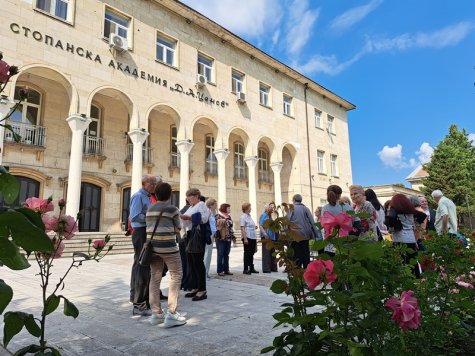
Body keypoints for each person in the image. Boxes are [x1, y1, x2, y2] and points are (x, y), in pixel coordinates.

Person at [146, 183, 186, 327]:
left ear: (155, 195)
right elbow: (178, 228)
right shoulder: (172, 209)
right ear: (170, 195)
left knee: (155, 278)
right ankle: (171, 313)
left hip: (153, 248)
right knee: (176, 275)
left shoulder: (150, 208)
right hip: (168, 247)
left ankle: (156, 314)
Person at [129, 175, 157, 316]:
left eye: (154, 183)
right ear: (144, 183)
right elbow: (134, 216)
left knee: (143, 266)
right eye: (151, 183)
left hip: (146, 231)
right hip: (140, 232)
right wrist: (151, 218)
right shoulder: (139, 196)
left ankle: (141, 300)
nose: (153, 186)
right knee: (141, 266)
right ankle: (138, 304)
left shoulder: (147, 196)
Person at [385, 194, 425, 278]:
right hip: (410, 238)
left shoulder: (394, 209)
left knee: (402, 262)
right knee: (412, 261)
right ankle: (417, 279)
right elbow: (423, 216)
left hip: (399, 238)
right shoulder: (410, 211)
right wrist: (417, 223)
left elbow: (390, 221)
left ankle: (405, 281)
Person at [180, 188, 209, 301]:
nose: (188, 199)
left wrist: (189, 217)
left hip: (197, 235)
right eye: (187, 197)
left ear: (196, 196)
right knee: (191, 263)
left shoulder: (201, 204)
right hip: (189, 234)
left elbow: (204, 219)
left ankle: (202, 289)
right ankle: (195, 287)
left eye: (190, 196)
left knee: (198, 262)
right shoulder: (191, 207)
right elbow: (186, 222)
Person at [321, 185, 361, 257]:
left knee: (333, 266)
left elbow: (323, 226)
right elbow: (357, 222)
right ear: (339, 195)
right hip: (346, 242)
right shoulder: (346, 206)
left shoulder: (325, 208)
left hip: (331, 244)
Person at [287, 194, 319, 268]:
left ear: (294, 200)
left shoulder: (291, 208)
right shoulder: (306, 209)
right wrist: (315, 234)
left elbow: (287, 221)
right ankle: (306, 270)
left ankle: (297, 270)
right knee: (305, 253)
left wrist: (285, 233)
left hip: (294, 235)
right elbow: (312, 221)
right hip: (305, 235)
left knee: (296, 254)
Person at [215, 203, 234, 276]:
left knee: (226, 254)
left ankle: (226, 270)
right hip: (220, 238)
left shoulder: (229, 216)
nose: (229, 209)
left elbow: (230, 228)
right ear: (224, 208)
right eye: (228, 208)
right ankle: (219, 270)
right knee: (220, 254)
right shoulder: (218, 216)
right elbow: (216, 227)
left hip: (228, 238)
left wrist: (233, 236)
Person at [259, 202, 277, 273]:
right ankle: (266, 269)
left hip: (272, 236)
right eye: (270, 207)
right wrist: (265, 234)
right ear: (267, 209)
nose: (272, 209)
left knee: (272, 252)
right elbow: (260, 225)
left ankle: (273, 268)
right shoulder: (264, 215)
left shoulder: (269, 216)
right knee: (266, 253)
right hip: (266, 236)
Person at [240, 202, 258, 274]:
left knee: (252, 253)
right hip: (247, 237)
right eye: (250, 207)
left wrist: (255, 227)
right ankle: (245, 269)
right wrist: (245, 238)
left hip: (253, 237)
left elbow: (250, 225)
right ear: (246, 208)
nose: (251, 209)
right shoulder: (243, 217)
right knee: (247, 253)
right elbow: (242, 228)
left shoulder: (249, 216)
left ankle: (251, 267)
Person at [204, 198, 218, 279]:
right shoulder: (208, 212)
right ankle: (205, 272)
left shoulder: (212, 213)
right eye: (215, 204)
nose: (216, 206)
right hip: (209, 235)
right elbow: (207, 224)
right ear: (211, 205)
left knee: (208, 254)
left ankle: (206, 272)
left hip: (212, 234)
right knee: (207, 254)